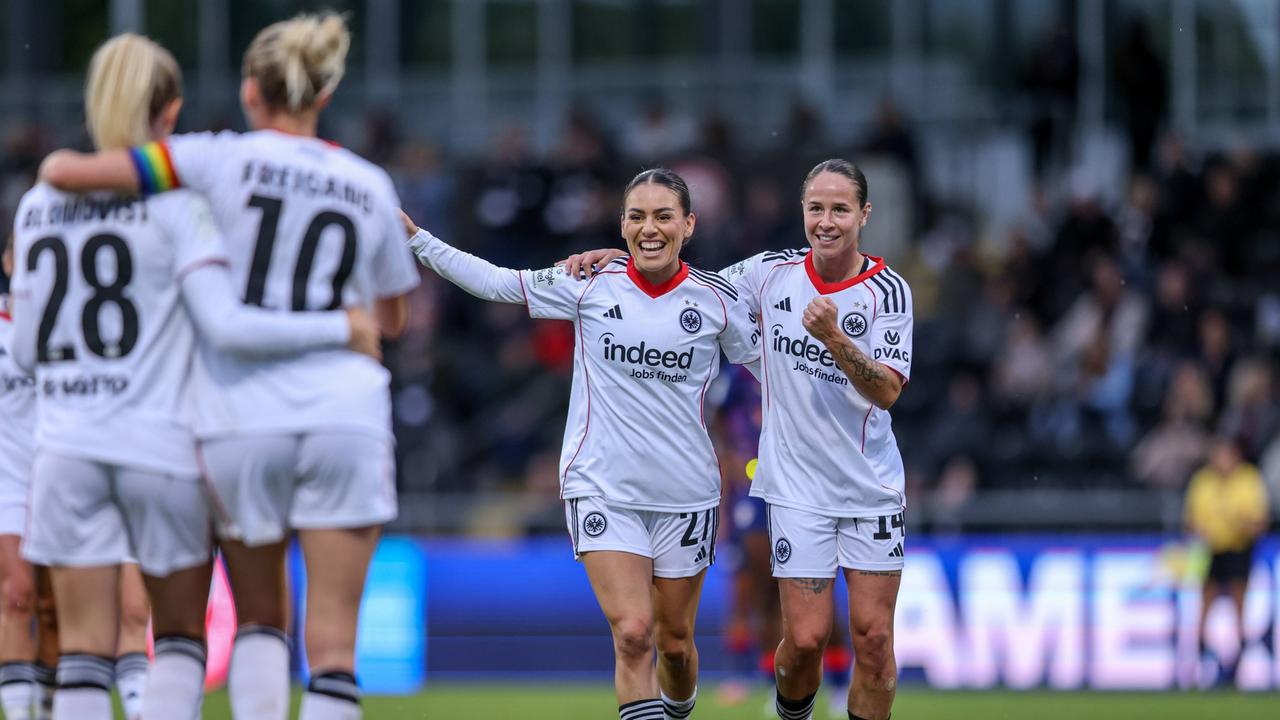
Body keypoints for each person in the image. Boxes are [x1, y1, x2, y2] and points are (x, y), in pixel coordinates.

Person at [19, 32, 383, 719]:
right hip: (160, 446)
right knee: (218, 628)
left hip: (63, 446)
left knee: (83, 658)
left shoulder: (39, 205)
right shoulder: (179, 205)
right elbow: (224, 324)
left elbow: (30, 350)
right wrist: (343, 328)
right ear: (172, 113)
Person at [402, 167, 760, 720]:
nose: (650, 228)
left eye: (664, 216)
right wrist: (417, 240)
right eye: (637, 216)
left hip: (687, 496)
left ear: (688, 224)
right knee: (634, 632)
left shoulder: (717, 301)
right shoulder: (588, 283)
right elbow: (497, 281)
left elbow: (773, 366)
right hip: (602, 487)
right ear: (621, 225)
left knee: (674, 643)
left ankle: (680, 706)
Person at [565, 158, 913, 720]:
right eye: (816, 208)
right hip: (796, 488)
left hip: (871, 487)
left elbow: (888, 391)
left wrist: (832, 339)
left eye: (840, 209)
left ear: (864, 214)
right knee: (803, 643)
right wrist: (620, 262)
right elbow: (685, 283)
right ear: (803, 212)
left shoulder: (888, 292)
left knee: (874, 643)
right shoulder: (770, 272)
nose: (827, 221)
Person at [0, 235, 58, 720]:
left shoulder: (73, 319)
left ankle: (51, 706)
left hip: (64, 475)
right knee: (15, 593)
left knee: (54, 608)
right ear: (8, 261)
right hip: (8, 478)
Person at [1183, 436, 1269, 686]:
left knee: (1239, 608)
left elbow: (1258, 523)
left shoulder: (1249, 479)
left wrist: (1239, 524)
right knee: (1203, 606)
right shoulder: (1203, 480)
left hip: (1238, 550)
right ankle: (1201, 667)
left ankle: (1237, 667)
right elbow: (1191, 521)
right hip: (1209, 552)